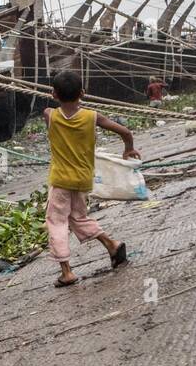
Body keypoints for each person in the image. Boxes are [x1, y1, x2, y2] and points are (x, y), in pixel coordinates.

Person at [44, 69, 140, 289]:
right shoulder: (92, 116)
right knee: (78, 217)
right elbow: (125, 132)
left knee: (56, 221)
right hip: (83, 179)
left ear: (54, 93)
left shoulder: (49, 114)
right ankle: (112, 245)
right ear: (83, 93)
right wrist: (128, 150)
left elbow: (53, 114)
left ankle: (66, 272)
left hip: (60, 180)